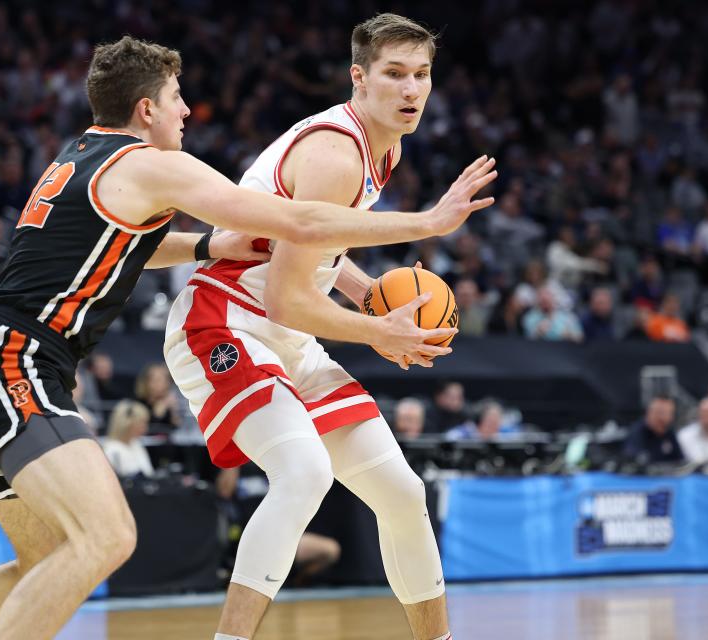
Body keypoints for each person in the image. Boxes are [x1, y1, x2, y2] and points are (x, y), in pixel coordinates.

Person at [0, 34, 494, 640]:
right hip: (25, 356)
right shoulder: (165, 164)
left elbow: (132, 244)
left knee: (45, 559)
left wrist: (213, 245)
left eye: (421, 75)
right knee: (112, 535)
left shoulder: (82, 158)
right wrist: (428, 222)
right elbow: (301, 222)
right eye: (177, 98)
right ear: (147, 109)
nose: (187, 111)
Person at [164, 15, 494, 640]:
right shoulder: (336, 153)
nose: (410, 89)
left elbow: (320, 253)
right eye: (394, 74)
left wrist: (370, 296)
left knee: (401, 491)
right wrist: (381, 332)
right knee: (305, 473)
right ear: (358, 78)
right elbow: (287, 298)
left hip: (284, 333)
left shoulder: (383, 146)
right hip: (226, 318)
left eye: (421, 75)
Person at [101, 398, 154, 477]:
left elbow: (149, 473)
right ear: (128, 424)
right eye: (142, 423)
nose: (145, 428)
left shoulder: (136, 443)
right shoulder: (111, 449)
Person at [623, 396, 684, 464]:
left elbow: (680, 462)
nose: (662, 418)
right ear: (649, 413)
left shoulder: (669, 433)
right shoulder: (638, 433)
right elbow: (633, 463)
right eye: (659, 413)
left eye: (667, 413)